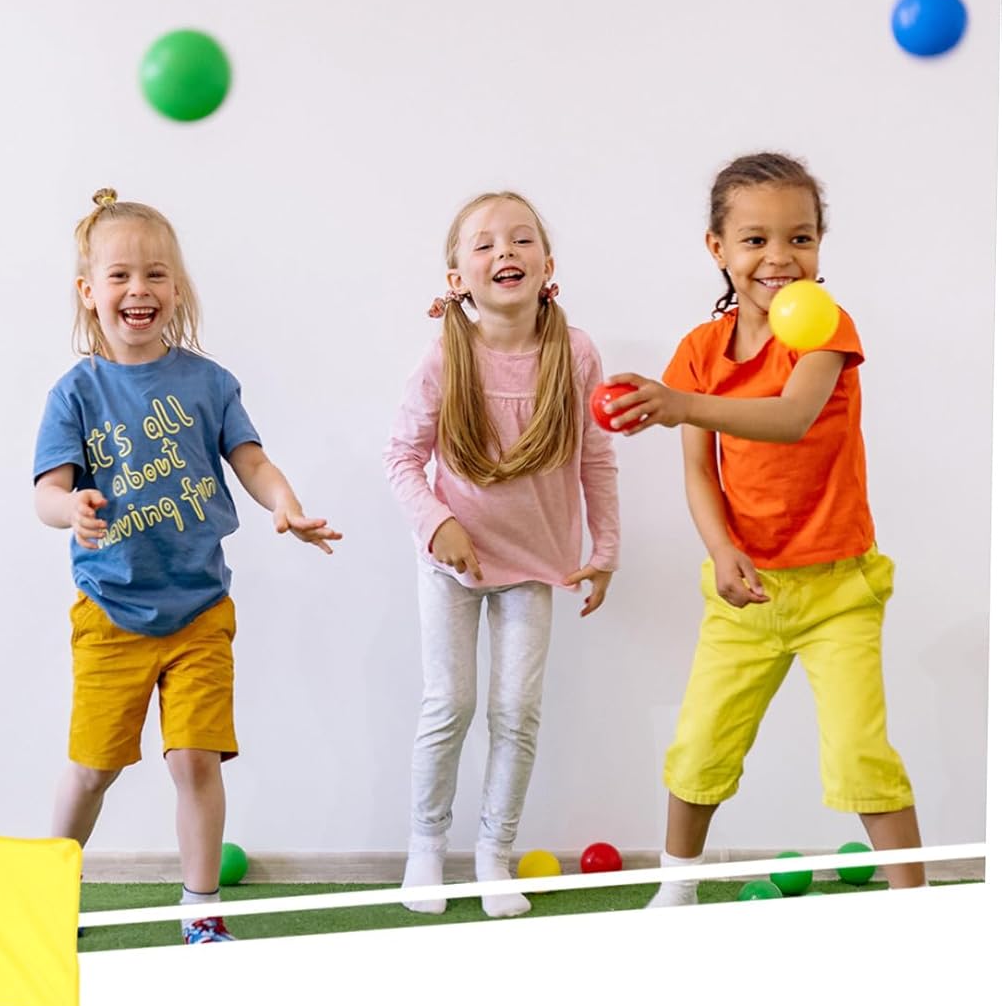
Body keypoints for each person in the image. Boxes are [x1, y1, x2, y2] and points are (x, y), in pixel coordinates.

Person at [601, 151, 924, 905]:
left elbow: (791, 416)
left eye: (799, 238)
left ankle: (916, 906)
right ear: (717, 248)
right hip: (744, 591)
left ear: (820, 244)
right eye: (755, 240)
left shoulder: (825, 327)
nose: (779, 257)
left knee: (860, 753)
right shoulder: (699, 351)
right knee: (700, 744)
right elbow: (699, 472)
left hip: (839, 589)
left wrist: (680, 404)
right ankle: (676, 889)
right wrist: (721, 551)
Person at [34, 189, 339, 943]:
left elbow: (251, 460)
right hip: (111, 611)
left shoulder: (210, 383)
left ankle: (200, 907)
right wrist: (70, 509)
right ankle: (42, 896)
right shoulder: (76, 393)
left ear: (177, 288)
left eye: (156, 274)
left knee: (196, 761)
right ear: (89, 291)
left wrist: (285, 503)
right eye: (120, 276)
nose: (138, 290)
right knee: (92, 770)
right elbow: (47, 492)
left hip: (200, 611)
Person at [385, 191, 619, 917]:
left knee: (516, 711)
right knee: (449, 703)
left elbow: (596, 456)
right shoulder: (444, 355)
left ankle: (494, 855)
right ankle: (426, 848)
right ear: (457, 278)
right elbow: (401, 457)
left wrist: (606, 548)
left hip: (534, 563)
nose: (504, 252)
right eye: (484, 245)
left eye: (521, 240)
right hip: (452, 562)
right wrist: (438, 525)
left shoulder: (576, 353)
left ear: (547, 265)